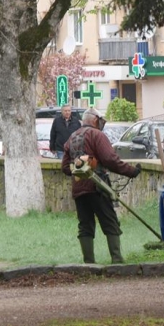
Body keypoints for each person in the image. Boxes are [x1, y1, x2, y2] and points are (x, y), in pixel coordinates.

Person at [61, 108, 141, 264]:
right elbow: (110, 159)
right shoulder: (97, 135)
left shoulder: (71, 138)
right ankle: (117, 260)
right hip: (98, 187)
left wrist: (78, 167)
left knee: (85, 225)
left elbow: (65, 167)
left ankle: (89, 263)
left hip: (79, 189)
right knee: (110, 222)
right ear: (95, 120)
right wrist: (132, 171)